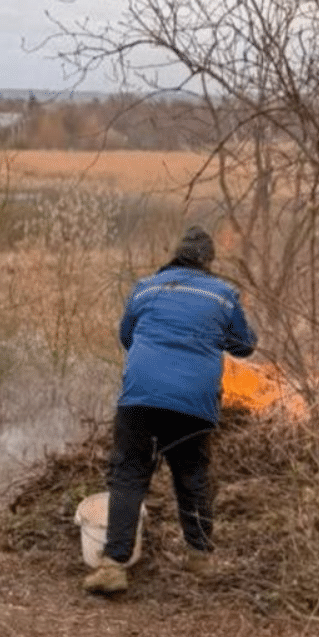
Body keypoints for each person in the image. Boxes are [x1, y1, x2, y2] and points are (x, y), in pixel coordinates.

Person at [84, 225, 257, 594]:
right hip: (193, 402)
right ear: (209, 262)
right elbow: (245, 346)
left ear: (174, 256)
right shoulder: (224, 295)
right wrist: (212, 335)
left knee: (129, 475)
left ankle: (114, 565)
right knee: (192, 475)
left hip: (140, 397)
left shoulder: (145, 287)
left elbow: (127, 338)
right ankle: (200, 558)